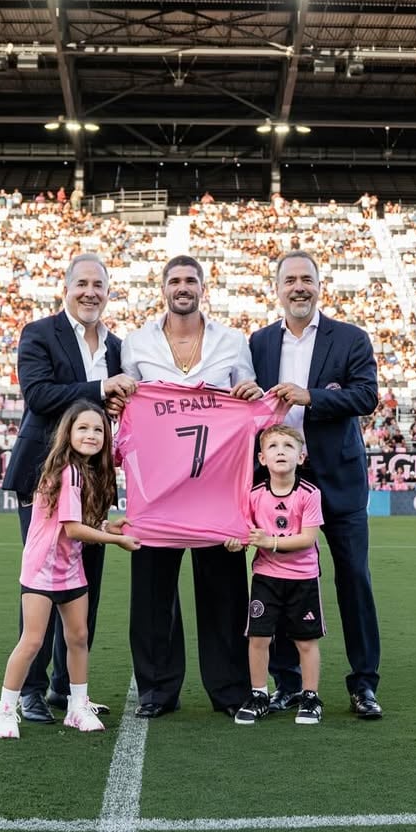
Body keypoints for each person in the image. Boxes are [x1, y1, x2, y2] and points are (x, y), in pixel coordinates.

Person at [120, 254, 262, 719]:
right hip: (158, 495)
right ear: (163, 288)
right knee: (152, 596)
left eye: (191, 280)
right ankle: (157, 690)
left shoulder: (233, 341)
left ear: (203, 287)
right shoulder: (137, 343)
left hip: (216, 495)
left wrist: (249, 394)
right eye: (175, 280)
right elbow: (130, 415)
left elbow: (250, 406)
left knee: (224, 594)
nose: (183, 287)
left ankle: (229, 689)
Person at [1, 254, 136, 724]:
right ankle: (29, 691)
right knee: (41, 583)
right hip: (45, 478)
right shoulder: (39, 333)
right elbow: (38, 396)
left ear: (108, 291)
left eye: (98, 285)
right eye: (82, 283)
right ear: (66, 287)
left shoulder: (119, 346)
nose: (90, 292)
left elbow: (121, 404)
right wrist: (102, 387)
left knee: (85, 587)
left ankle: (67, 689)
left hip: (95, 480)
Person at [249, 250, 384, 719]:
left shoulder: (350, 338)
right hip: (281, 483)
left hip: (339, 482)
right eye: (291, 280)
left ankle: (364, 682)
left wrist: (312, 399)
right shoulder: (261, 342)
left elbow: (367, 396)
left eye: (307, 278)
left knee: (354, 580)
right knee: (279, 581)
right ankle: (288, 682)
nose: (299, 287)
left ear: (319, 285)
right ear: (278, 288)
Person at [0, 401, 140, 739]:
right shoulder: (67, 470)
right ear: (68, 433)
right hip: (43, 568)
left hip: (70, 568)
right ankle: (4, 709)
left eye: (99, 429)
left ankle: (77, 706)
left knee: (78, 638)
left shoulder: (87, 471)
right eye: (83, 428)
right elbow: (72, 529)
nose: (91, 435)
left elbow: (79, 523)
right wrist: (115, 540)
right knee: (31, 641)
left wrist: (108, 527)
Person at [225, 424, 325, 726]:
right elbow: (243, 533)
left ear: (302, 456)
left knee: (306, 641)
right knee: (258, 637)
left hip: (303, 579)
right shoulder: (253, 495)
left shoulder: (309, 494)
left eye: (288, 446)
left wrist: (272, 542)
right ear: (262, 458)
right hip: (266, 578)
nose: (280, 450)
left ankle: (310, 697)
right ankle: (258, 694)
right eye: (273, 446)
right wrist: (235, 542)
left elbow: (307, 538)